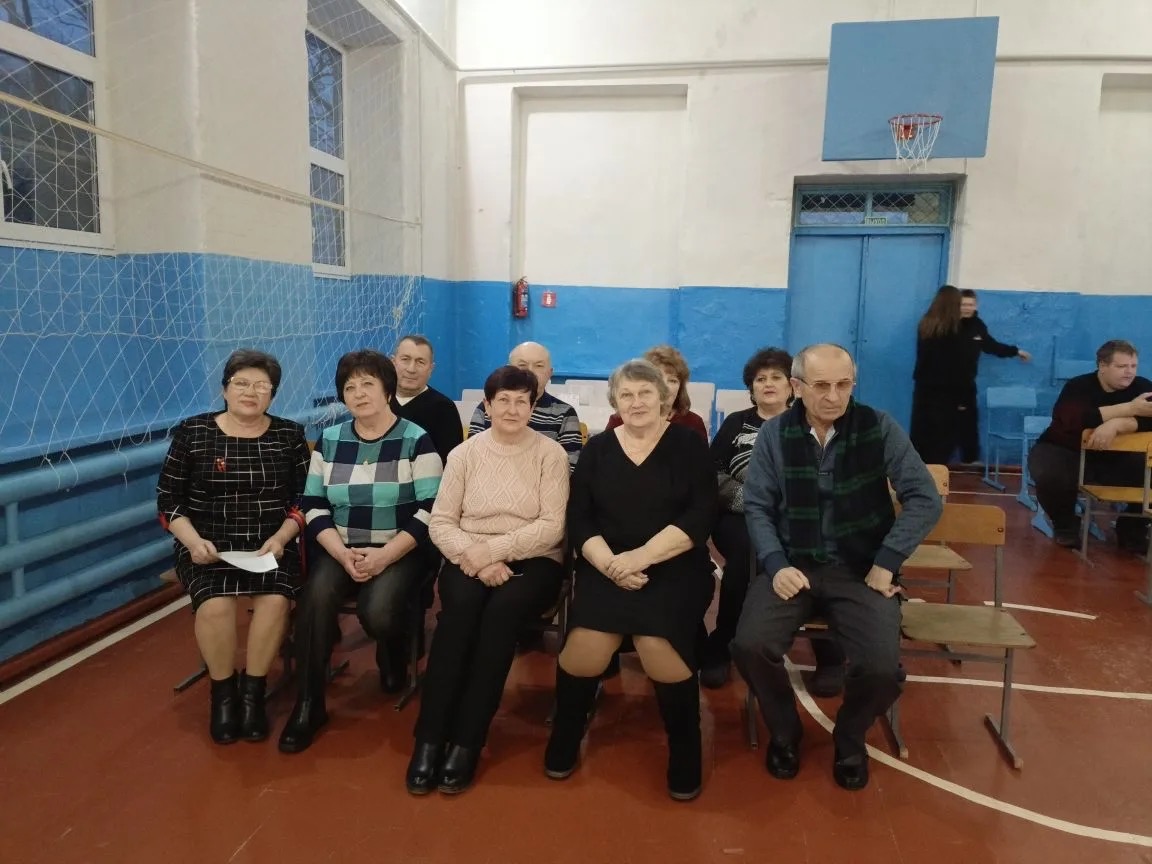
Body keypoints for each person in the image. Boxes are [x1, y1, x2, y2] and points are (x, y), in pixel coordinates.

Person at [731, 344, 941, 791]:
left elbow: (925, 498)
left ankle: (849, 735)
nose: (833, 396)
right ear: (797, 386)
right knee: (750, 645)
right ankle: (785, 731)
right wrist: (775, 563)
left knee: (882, 668)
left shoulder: (879, 427)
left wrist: (887, 561)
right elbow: (758, 506)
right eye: (821, 385)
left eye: (844, 384)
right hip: (792, 565)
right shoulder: (775, 434)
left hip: (860, 569)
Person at [544, 359, 718, 801]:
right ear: (615, 401)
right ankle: (565, 735)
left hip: (675, 566)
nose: (636, 402)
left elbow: (700, 516)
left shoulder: (690, 445)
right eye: (627, 395)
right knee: (585, 650)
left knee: (658, 646)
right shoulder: (599, 449)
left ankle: (685, 747)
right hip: (606, 565)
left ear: (663, 397)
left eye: (645, 393)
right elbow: (580, 519)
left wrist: (639, 558)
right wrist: (611, 565)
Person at [406, 366, 570, 795]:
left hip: (534, 559)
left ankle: (467, 741)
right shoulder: (465, 454)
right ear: (487, 405)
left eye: (522, 401)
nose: (512, 409)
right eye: (503, 400)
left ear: (533, 406)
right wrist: (477, 559)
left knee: (501, 615)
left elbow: (552, 526)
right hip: (469, 556)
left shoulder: (550, 455)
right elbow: (441, 522)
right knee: (458, 614)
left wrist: (494, 551)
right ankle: (429, 739)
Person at [278, 350, 442, 754]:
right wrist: (340, 553)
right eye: (349, 387)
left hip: (402, 548)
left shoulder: (416, 439)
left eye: (368, 383)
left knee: (378, 612)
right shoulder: (330, 440)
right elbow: (313, 504)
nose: (359, 393)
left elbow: (431, 509)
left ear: (388, 390)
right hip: (342, 547)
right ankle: (309, 704)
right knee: (315, 600)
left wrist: (385, 556)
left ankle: (395, 647)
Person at [157, 349, 310, 745]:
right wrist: (193, 542)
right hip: (206, 545)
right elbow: (169, 501)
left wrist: (281, 538)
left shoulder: (289, 435)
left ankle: (253, 695)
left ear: (273, 394)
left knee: (275, 601)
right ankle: (223, 696)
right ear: (225, 389)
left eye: (261, 386)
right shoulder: (193, 432)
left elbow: (304, 500)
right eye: (241, 383)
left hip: (270, 546)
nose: (250, 392)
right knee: (215, 605)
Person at [701, 347, 846, 695]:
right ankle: (725, 642)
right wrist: (750, 501)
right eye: (760, 379)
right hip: (740, 515)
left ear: (792, 385)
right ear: (751, 388)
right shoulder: (736, 423)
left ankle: (829, 654)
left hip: (802, 517)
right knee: (746, 554)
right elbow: (712, 473)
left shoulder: (811, 422)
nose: (767, 384)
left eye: (775, 377)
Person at [1028, 339, 1152, 549]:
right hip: (1066, 451)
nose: (1129, 372)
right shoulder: (1078, 386)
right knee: (1050, 473)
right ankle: (1066, 525)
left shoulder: (1142, 387)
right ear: (1102, 366)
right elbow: (1071, 419)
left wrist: (1119, 424)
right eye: (1121, 366)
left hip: (1116, 458)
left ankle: (1132, 527)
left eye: (1133, 366)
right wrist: (1129, 409)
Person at [910, 285, 1031, 466]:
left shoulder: (931, 324)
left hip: (940, 387)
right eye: (961, 304)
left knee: (941, 428)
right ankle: (938, 466)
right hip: (947, 388)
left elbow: (990, 345)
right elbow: (950, 363)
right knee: (943, 430)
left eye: (970, 304)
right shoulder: (946, 329)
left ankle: (944, 462)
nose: (965, 308)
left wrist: (1014, 351)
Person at [468, 341, 582, 472]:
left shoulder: (565, 413)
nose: (530, 371)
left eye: (539, 366)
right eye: (522, 365)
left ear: (550, 373)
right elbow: (473, 456)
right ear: (508, 370)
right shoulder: (487, 407)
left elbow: (569, 467)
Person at [606, 345, 708, 441]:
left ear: (680, 387)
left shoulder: (693, 423)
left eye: (672, 381)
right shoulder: (621, 420)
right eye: (659, 379)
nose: (666, 387)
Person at [390, 333, 464, 465]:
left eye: (420, 362)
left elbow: (450, 465)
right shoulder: (378, 402)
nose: (411, 369)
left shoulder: (444, 409)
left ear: (431, 369)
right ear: (393, 362)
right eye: (405, 359)